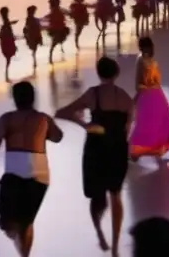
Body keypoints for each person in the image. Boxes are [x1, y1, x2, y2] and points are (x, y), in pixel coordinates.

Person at [56, 57, 133, 256]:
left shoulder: (93, 95)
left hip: (96, 148)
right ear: (116, 73)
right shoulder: (125, 98)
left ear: (99, 73)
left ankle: (99, 232)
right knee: (116, 194)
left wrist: (84, 124)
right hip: (117, 149)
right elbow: (128, 128)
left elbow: (61, 112)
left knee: (96, 197)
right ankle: (115, 247)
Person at [0, 81, 64, 256]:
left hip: (15, 170)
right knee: (26, 220)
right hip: (40, 173)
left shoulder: (7, 119)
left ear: (15, 99)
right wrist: (43, 132)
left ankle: (22, 250)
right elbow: (58, 137)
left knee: (8, 222)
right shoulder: (43, 118)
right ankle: (24, 254)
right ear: (33, 98)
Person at [128, 37, 169, 160]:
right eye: (145, 46)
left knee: (162, 119)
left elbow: (156, 79)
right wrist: (141, 93)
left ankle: (156, 147)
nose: (148, 49)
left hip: (156, 93)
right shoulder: (140, 60)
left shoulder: (151, 60)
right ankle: (138, 149)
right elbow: (138, 83)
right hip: (148, 94)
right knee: (146, 123)